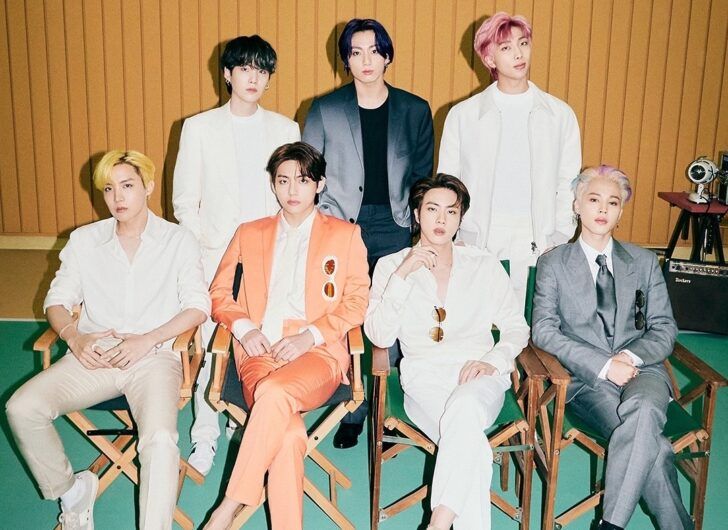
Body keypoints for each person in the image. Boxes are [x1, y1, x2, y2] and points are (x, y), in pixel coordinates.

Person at [6, 150, 210, 530]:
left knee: (161, 440)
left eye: (127, 186)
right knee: (22, 407)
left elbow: (198, 307)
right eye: (109, 189)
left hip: (153, 358)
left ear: (148, 187)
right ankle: (72, 492)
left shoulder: (178, 240)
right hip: (93, 357)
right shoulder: (85, 240)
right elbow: (56, 301)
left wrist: (147, 340)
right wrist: (74, 337)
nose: (118, 197)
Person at [203, 142, 369, 530]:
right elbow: (219, 293)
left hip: (318, 354)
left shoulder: (345, 235)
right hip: (258, 350)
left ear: (320, 184)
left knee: (275, 394)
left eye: (303, 180)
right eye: (283, 181)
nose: (292, 190)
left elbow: (357, 302)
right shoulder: (249, 232)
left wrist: (310, 336)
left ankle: (227, 508)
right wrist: (244, 329)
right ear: (272, 184)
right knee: (291, 435)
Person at [531, 166, 693, 530]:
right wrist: (604, 366)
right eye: (593, 199)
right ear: (577, 206)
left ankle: (610, 525)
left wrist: (629, 357)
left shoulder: (644, 262)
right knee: (656, 449)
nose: (603, 209)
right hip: (587, 381)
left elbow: (664, 328)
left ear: (620, 213)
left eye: (613, 202)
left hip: (643, 370)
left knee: (643, 408)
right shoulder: (553, 264)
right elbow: (543, 330)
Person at [364, 174, 529, 530]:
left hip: (481, 375)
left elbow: (517, 327)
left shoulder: (483, 264)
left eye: (451, 212)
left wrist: (493, 360)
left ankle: (438, 523)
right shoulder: (391, 266)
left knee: (466, 409)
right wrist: (403, 275)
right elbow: (379, 335)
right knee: (473, 448)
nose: (441, 219)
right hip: (425, 381)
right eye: (432, 209)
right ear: (416, 214)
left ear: (460, 217)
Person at [303, 17, 434, 449]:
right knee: (350, 316)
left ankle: (387, 410)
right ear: (345, 60)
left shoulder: (414, 109)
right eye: (356, 52)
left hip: (396, 225)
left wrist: (417, 230)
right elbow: (310, 172)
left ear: (387, 56)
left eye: (375, 51)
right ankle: (354, 409)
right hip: (344, 226)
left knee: (393, 315)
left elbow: (422, 176)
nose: (366, 60)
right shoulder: (325, 109)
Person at [173, 34, 300, 475]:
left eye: (261, 71)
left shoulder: (285, 129)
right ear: (227, 74)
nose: (253, 78)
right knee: (214, 346)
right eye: (244, 69)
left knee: (262, 341)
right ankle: (204, 436)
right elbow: (184, 203)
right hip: (216, 256)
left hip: (271, 256)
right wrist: (208, 250)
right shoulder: (198, 128)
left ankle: (248, 422)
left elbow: (293, 196)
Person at [438, 11, 581, 310]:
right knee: (477, 322)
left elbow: (569, 182)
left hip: (538, 239)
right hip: (479, 237)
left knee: (531, 324)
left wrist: (559, 236)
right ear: (489, 59)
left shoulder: (560, 115)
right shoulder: (463, 116)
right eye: (506, 47)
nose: (519, 54)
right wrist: (455, 236)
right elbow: (448, 182)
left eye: (523, 43)